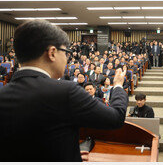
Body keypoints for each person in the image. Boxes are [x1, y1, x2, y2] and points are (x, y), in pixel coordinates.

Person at [0, 20, 128, 161]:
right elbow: (116, 118)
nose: (67, 58)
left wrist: (67, 152)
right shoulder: (67, 92)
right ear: (52, 53)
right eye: (66, 52)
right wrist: (118, 85)